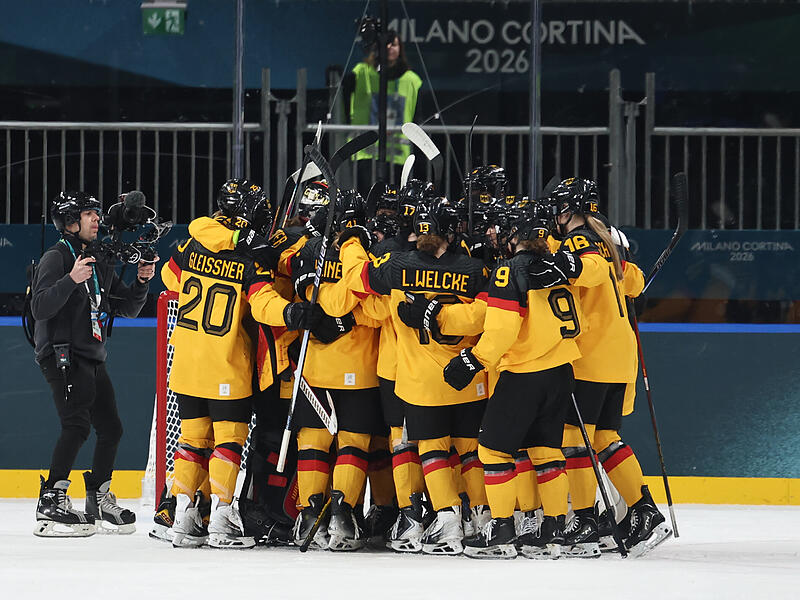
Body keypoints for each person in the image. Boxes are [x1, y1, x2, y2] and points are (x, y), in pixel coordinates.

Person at [160, 179, 318, 549]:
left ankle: (184, 512)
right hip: (226, 362)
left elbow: (170, 277)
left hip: (184, 361)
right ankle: (222, 516)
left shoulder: (193, 241)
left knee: (192, 440)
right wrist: (293, 312)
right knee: (229, 441)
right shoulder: (251, 259)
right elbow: (264, 305)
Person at [336, 196, 489, 555]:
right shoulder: (473, 268)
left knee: (432, 451)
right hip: (466, 377)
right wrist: (443, 314)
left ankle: (447, 520)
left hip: (419, 383)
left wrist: (351, 241)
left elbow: (357, 280)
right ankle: (482, 519)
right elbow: (487, 314)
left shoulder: (395, 267)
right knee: (470, 451)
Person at [534, 178, 672, 558]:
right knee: (605, 438)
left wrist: (566, 265)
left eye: (559, 208)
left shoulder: (580, 240)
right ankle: (643, 511)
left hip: (591, 356)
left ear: (572, 210)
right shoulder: (610, 241)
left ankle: (586, 521)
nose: (555, 216)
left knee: (573, 440)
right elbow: (636, 283)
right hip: (618, 354)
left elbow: (587, 267)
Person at [31, 191, 154, 537]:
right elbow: (40, 308)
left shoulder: (94, 260)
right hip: (63, 355)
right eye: (88, 214)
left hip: (90, 356)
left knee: (111, 428)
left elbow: (127, 308)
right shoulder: (57, 257)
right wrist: (71, 279)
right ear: (70, 222)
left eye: (97, 213)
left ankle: (98, 499)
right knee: (76, 426)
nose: (97, 219)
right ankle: (50, 501)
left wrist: (142, 281)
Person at [346, 30, 422, 196]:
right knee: (366, 200)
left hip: (397, 155)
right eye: (385, 44)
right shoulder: (362, 72)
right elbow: (343, 87)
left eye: (393, 44)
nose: (389, 48)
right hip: (366, 152)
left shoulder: (411, 80)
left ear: (400, 48)